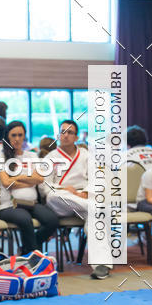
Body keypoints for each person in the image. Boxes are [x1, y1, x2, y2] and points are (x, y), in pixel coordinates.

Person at [43, 120, 110, 280]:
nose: (65, 135)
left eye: (70, 132)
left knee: (94, 215)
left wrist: (87, 192)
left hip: (82, 199)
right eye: (63, 132)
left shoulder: (86, 155)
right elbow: (45, 185)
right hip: (61, 201)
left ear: (76, 137)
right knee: (53, 196)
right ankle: (94, 207)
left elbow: (98, 179)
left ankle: (102, 264)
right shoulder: (50, 157)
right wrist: (64, 189)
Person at [0, 120, 59, 255]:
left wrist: (16, 177)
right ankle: (33, 256)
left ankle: (28, 249)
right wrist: (29, 179)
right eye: (13, 135)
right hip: (9, 206)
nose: (17, 139)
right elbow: (7, 183)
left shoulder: (31, 155)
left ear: (24, 136)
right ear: (7, 137)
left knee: (52, 220)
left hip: (31, 204)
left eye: (20, 135)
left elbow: (39, 179)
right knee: (25, 220)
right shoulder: (0, 157)